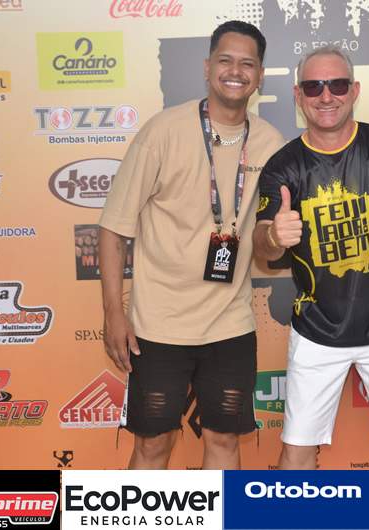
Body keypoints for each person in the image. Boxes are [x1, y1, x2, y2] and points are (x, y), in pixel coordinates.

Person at [98, 20, 284, 470]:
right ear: (207, 67)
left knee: (224, 441)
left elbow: (269, 238)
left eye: (247, 64)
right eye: (225, 60)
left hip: (230, 325)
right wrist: (113, 313)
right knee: (152, 444)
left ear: (260, 75)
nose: (235, 71)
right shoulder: (162, 132)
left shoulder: (270, 143)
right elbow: (113, 229)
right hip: (157, 327)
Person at [253, 45, 369, 470]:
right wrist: (274, 236)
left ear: (354, 90)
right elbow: (261, 242)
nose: (326, 96)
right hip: (317, 327)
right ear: (297, 96)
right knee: (296, 450)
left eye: (336, 85)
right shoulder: (282, 165)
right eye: (313, 86)